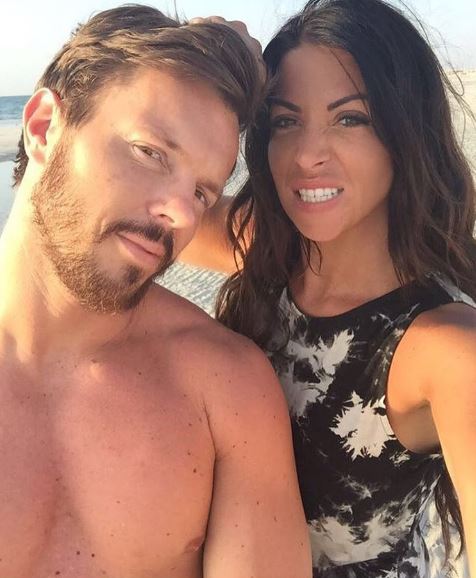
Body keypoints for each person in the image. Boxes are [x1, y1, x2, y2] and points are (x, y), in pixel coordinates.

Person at [2, 6, 312, 578]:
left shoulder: (224, 387)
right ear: (44, 127)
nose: (177, 212)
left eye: (202, 191)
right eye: (151, 153)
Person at [180, 0, 476, 576]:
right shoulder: (271, 251)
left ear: (404, 132)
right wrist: (196, 68)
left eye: (351, 119)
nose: (308, 156)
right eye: (286, 121)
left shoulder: (447, 349)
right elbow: (143, 207)